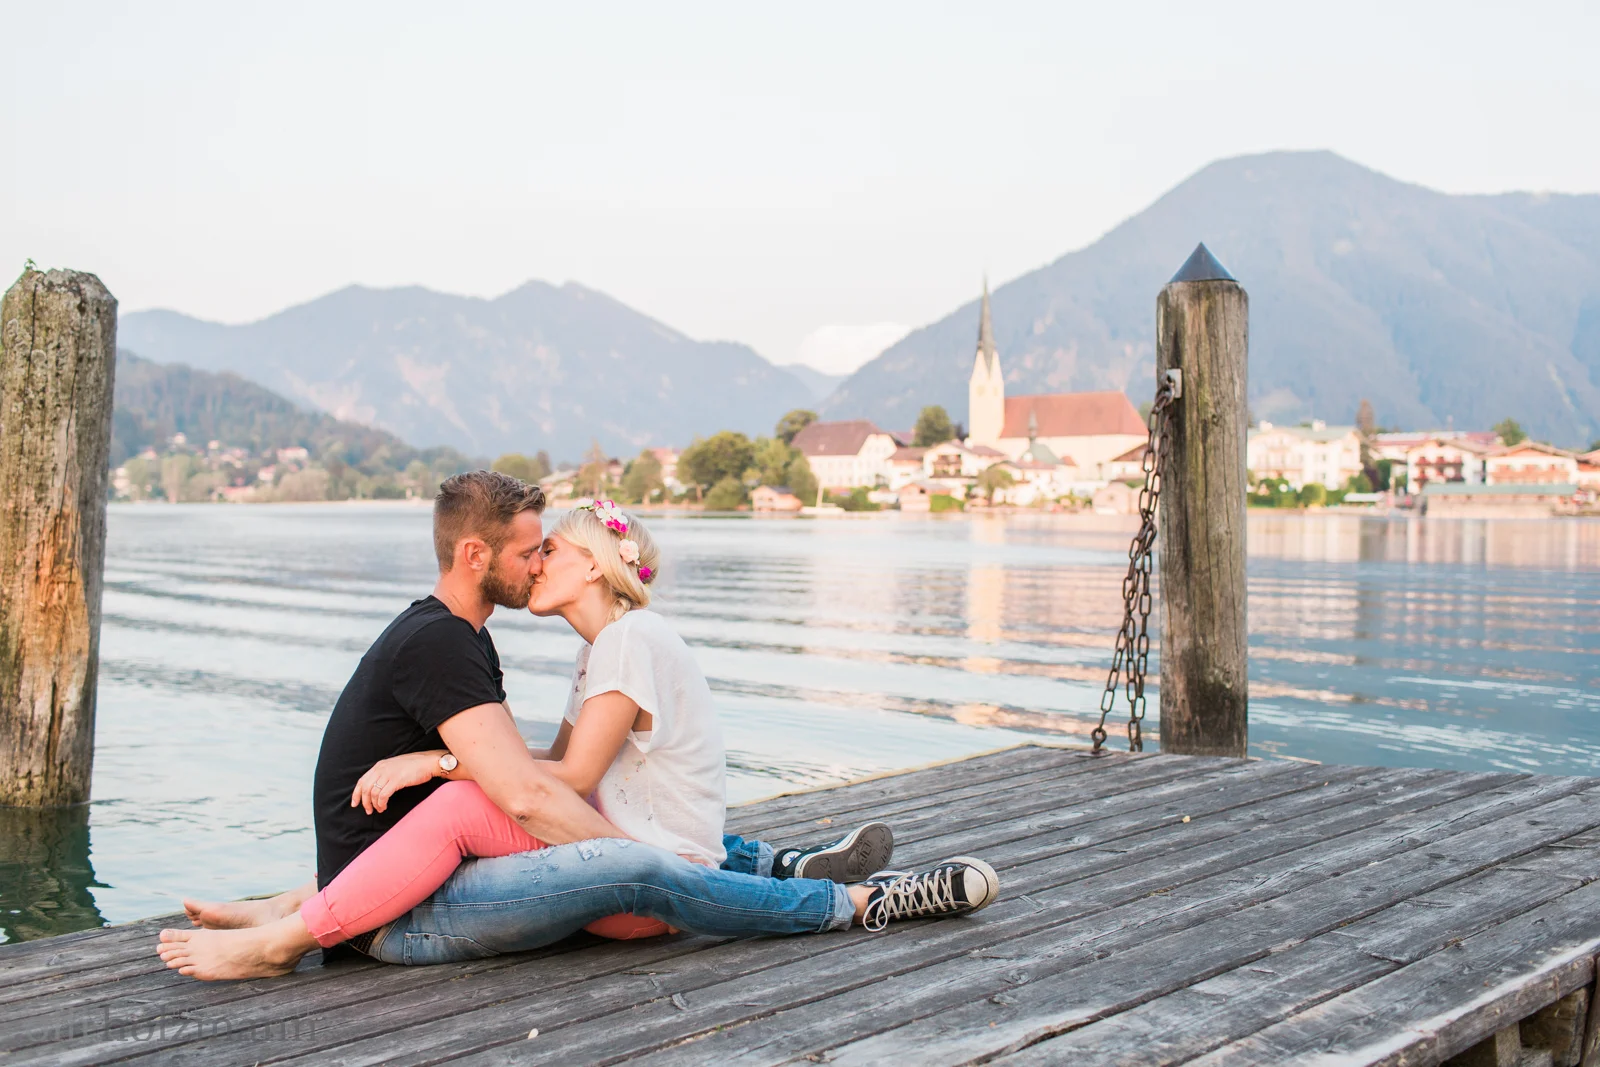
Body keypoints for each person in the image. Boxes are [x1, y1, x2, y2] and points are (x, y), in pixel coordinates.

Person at [159, 478, 998, 980]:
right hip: (423, 899)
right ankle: (800, 877)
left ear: (592, 565)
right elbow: (542, 776)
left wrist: (436, 763)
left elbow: (545, 784)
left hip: (539, 878)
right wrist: (449, 765)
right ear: (478, 555)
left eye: (550, 550)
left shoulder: (604, 640)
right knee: (525, 817)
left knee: (591, 839)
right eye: (532, 550)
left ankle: (848, 899)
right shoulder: (559, 648)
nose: (538, 564)